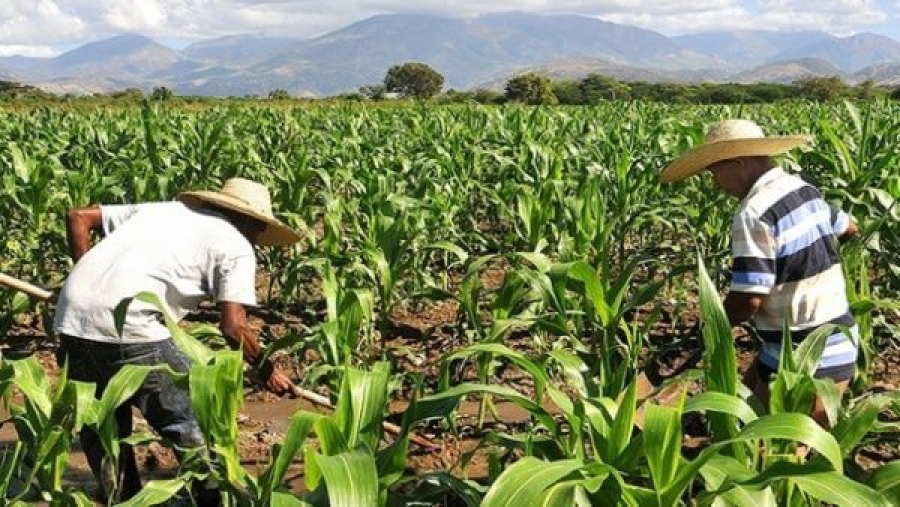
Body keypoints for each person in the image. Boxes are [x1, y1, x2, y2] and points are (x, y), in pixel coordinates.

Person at [53, 177, 299, 502]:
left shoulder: (163, 210)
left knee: (103, 428)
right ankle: (211, 501)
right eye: (259, 232)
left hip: (70, 319)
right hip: (132, 327)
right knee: (195, 419)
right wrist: (267, 369)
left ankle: (122, 499)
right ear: (249, 221)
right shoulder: (237, 244)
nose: (256, 240)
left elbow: (79, 217)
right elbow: (233, 327)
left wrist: (83, 275)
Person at [661, 119, 859, 427]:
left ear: (738, 163)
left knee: (773, 454)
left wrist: (712, 326)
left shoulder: (752, 212)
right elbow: (849, 228)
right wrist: (809, 263)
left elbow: (750, 298)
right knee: (742, 409)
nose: (715, 183)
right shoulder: (803, 189)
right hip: (837, 339)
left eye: (714, 172)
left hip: (802, 356)